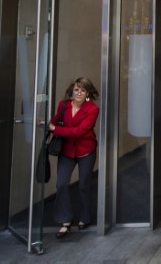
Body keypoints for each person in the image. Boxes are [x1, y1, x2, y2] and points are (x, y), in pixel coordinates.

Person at [47, 77, 100, 238]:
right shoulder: (63, 106)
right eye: (76, 89)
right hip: (67, 150)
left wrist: (55, 129)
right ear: (72, 91)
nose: (79, 93)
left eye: (83, 90)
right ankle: (65, 220)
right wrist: (47, 125)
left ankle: (85, 217)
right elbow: (54, 123)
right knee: (61, 183)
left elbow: (79, 132)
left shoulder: (93, 109)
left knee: (84, 184)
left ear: (88, 93)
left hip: (86, 151)